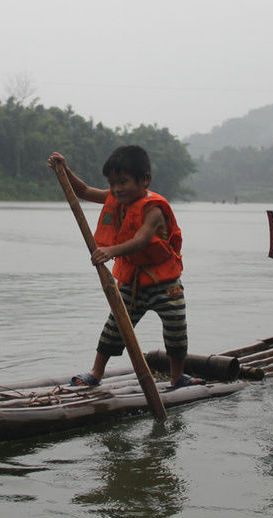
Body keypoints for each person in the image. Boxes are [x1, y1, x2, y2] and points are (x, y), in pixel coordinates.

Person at [47, 145, 205, 388]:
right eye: (112, 184)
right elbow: (84, 191)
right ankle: (96, 373)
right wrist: (65, 170)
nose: (116, 189)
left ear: (145, 180)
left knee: (176, 331)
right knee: (114, 328)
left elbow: (141, 239)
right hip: (132, 284)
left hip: (165, 285)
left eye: (123, 182)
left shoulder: (153, 209)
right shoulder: (116, 198)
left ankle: (177, 377)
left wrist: (110, 251)